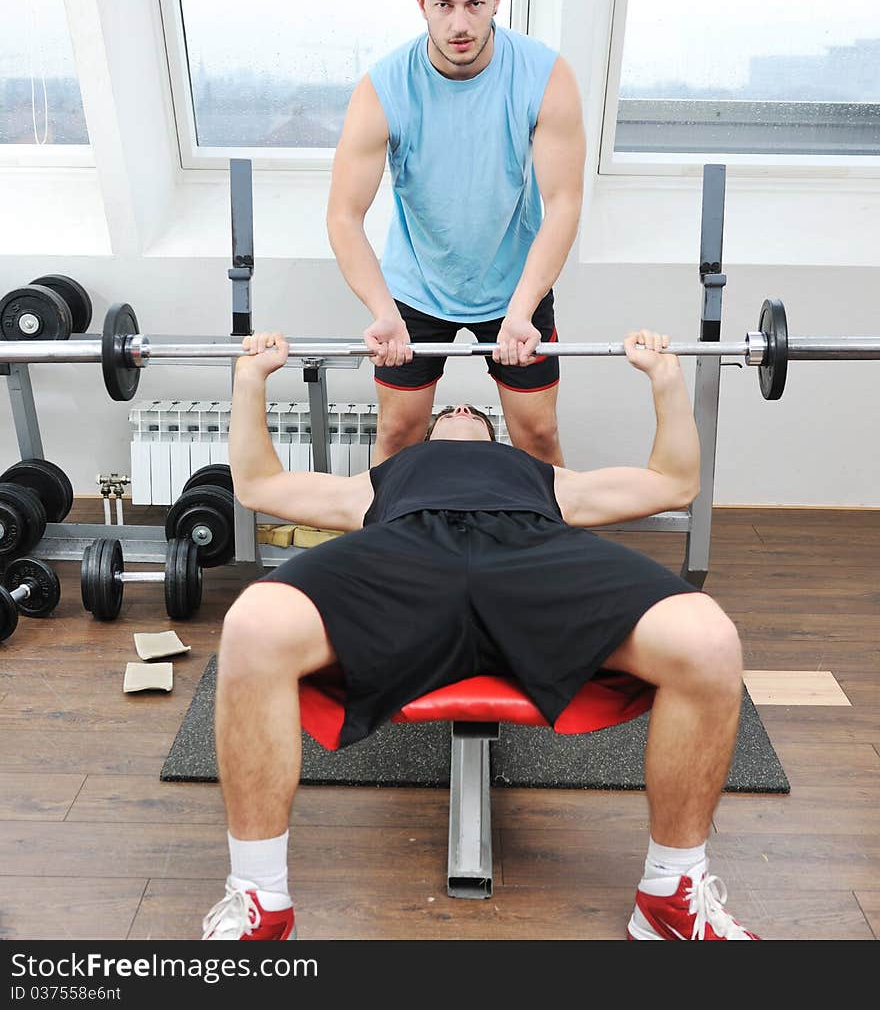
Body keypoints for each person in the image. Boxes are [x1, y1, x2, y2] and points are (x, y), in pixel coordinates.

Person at [200, 328, 760, 943]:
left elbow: (674, 482)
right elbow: (256, 486)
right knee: (253, 624)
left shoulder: (549, 480)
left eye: (477, 410)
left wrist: (665, 377)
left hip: (534, 552)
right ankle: (260, 901)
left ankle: (670, 899)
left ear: (494, 435)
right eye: (450, 409)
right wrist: (250, 378)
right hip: (401, 558)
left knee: (708, 639)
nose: (463, 408)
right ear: (429, 432)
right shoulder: (378, 482)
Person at [326, 0, 586, 466]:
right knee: (397, 437)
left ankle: (549, 549)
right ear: (421, 2)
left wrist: (523, 310)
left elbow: (563, 203)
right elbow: (345, 217)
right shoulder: (384, 87)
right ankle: (390, 551)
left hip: (516, 287)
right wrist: (382, 311)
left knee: (538, 437)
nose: (460, 23)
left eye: (475, 3)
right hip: (415, 290)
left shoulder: (545, 76)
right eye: (443, 4)